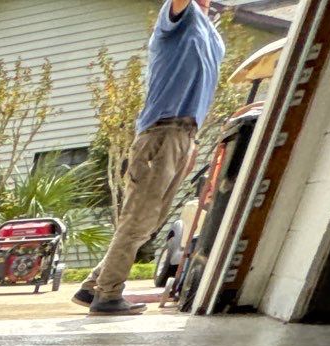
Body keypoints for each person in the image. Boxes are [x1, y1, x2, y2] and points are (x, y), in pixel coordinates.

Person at [77, 0, 224, 315]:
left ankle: (93, 287)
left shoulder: (212, 31)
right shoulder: (177, 17)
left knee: (148, 224)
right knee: (137, 220)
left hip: (185, 135)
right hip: (161, 133)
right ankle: (107, 296)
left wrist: (193, 138)